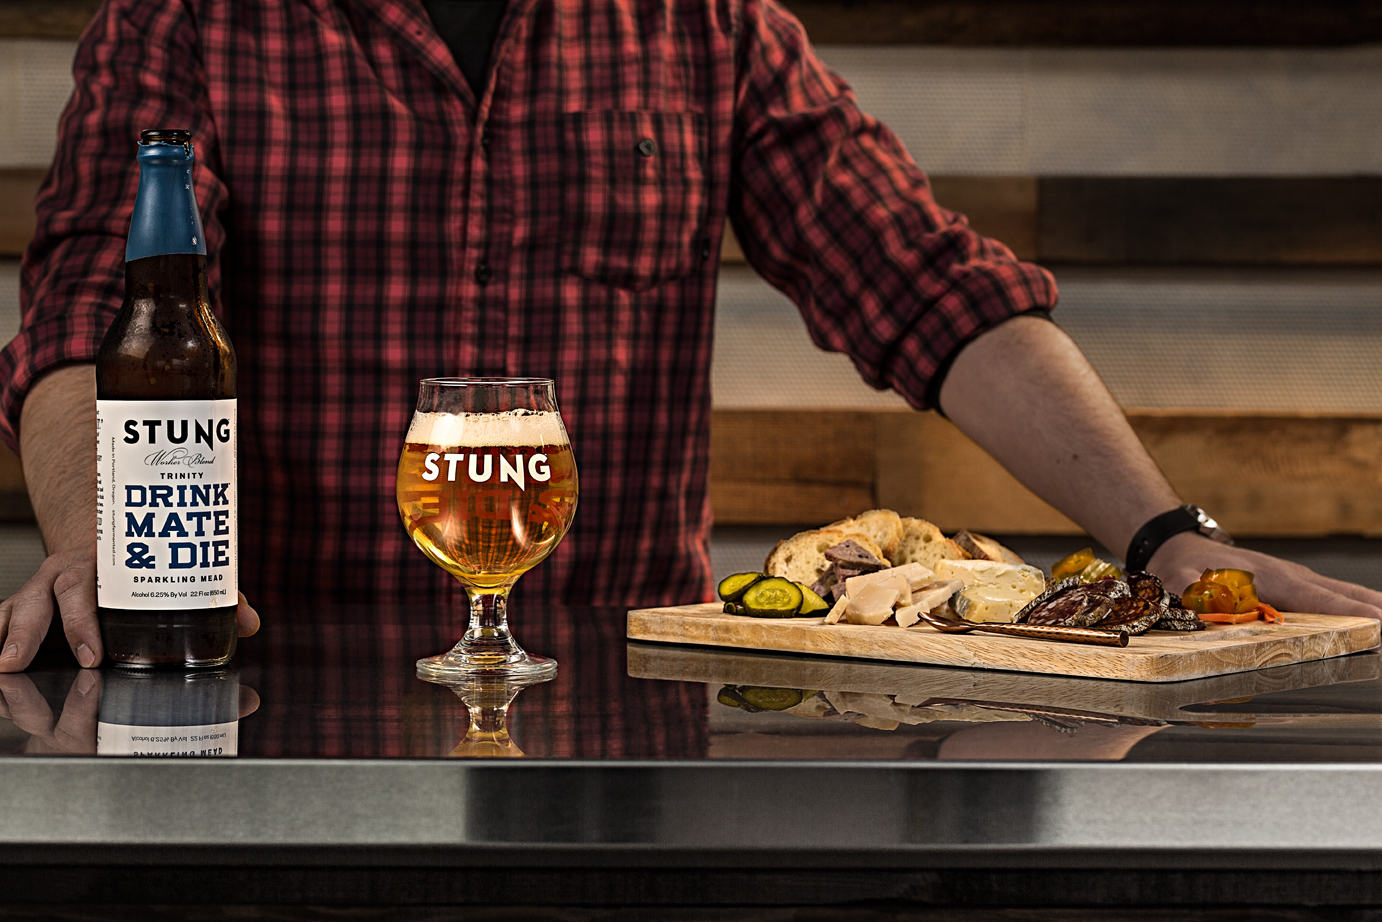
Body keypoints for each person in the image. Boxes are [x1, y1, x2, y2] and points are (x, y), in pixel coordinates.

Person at [2, 0, 1380, 673]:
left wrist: (1164, 537)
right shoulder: (188, 14)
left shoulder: (705, 20)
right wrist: (94, 539)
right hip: (283, 701)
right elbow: (88, 307)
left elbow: (925, 283)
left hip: (627, 724)